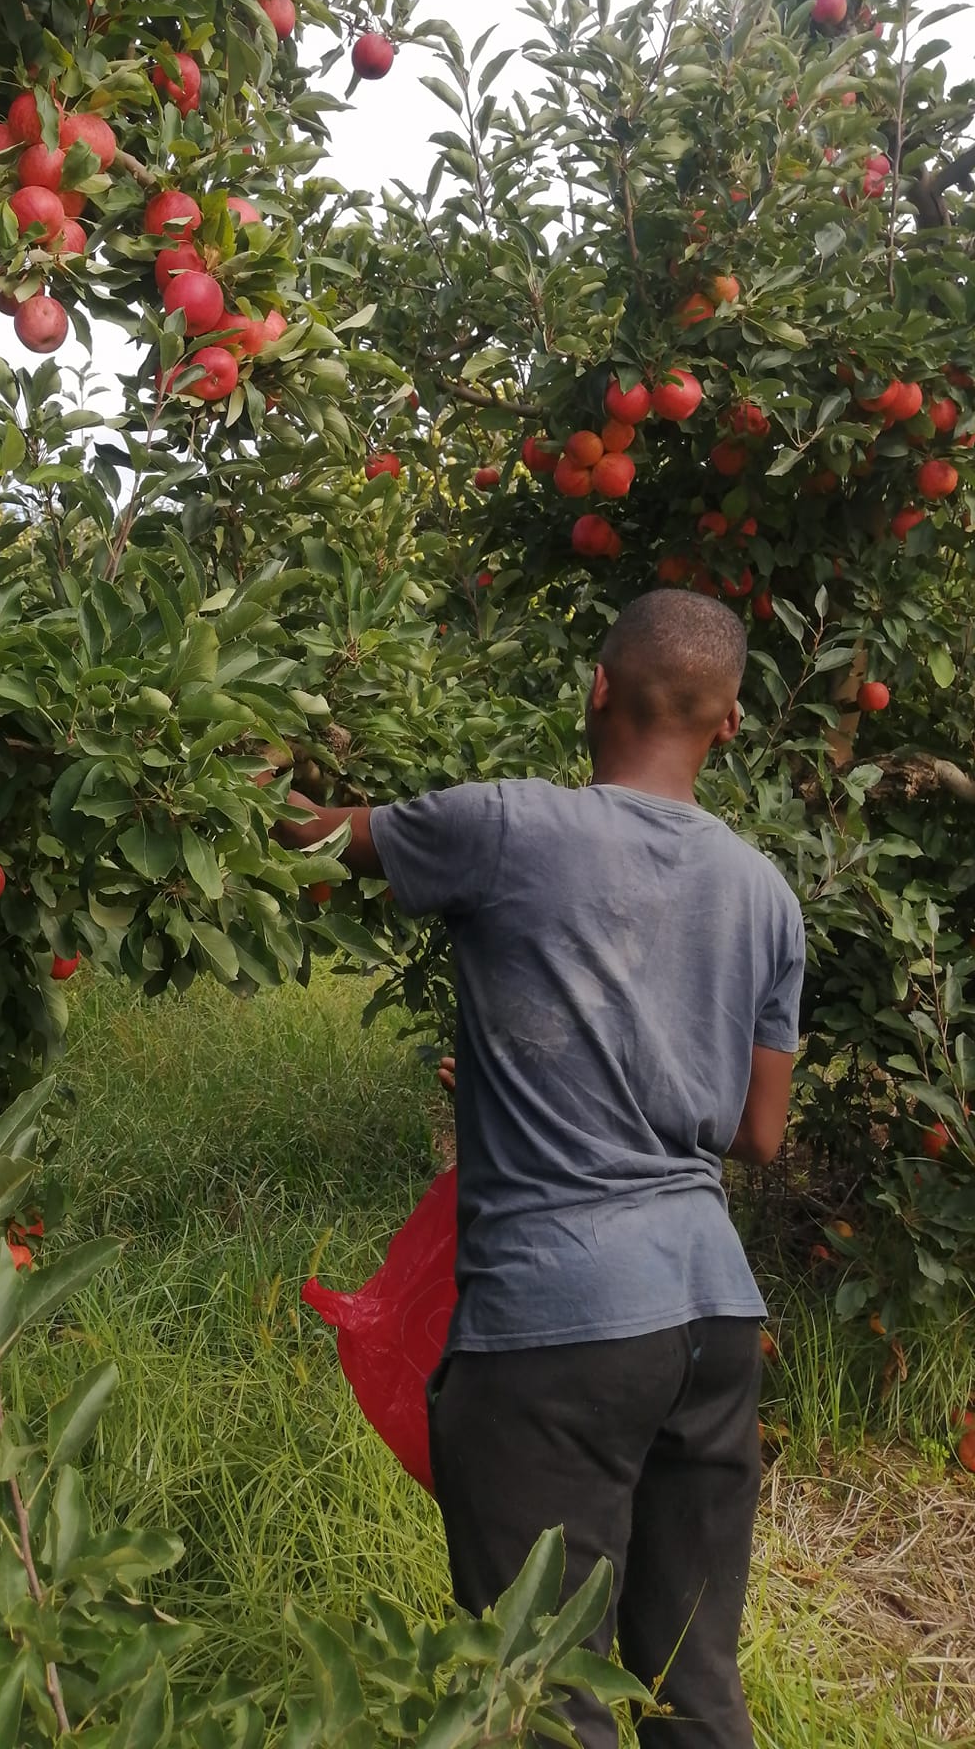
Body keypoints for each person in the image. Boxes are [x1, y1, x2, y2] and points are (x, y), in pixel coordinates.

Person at [271, 589, 805, 1748]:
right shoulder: (766, 893)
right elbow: (759, 1134)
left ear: (597, 686)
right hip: (714, 1320)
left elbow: (315, 831)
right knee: (689, 1680)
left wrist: (240, 759)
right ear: (727, 724)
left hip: (559, 1323)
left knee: (541, 1691)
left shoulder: (508, 826)